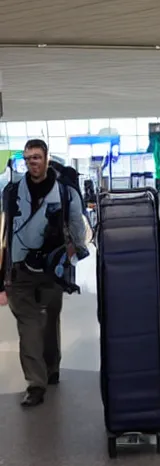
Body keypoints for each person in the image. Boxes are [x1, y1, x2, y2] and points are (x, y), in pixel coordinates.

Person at [0, 139, 87, 407]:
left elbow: (76, 224)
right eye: (27, 159)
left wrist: (74, 254)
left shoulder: (65, 191)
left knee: (49, 321)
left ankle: (52, 367)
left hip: (52, 268)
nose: (32, 163)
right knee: (29, 328)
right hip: (20, 269)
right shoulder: (13, 191)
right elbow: (4, 234)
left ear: (47, 158)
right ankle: (35, 384)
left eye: (36, 157)